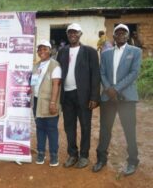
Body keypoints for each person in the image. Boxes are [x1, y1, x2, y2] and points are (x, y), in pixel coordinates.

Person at [92, 24, 142, 176]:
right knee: (105, 129)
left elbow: (134, 73)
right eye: (117, 33)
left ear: (128, 36)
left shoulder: (135, 52)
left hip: (126, 98)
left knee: (129, 130)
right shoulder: (106, 54)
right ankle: (101, 159)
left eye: (124, 32)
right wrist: (109, 89)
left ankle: (132, 161)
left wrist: (116, 89)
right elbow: (102, 73)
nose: (121, 35)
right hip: (108, 97)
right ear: (113, 37)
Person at [56, 23, 100, 168]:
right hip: (66, 95)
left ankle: (84, 156)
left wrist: (94, 97)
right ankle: (72, 154)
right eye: (70, 33)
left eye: (75, 32)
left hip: (84, 96)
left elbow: (95, 75)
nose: (72, 35)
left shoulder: (90, 52)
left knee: (85, 126)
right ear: (67, 35)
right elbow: (57, 74)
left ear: (80, 34)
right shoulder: (62, 52)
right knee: (69, 127)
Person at [31, 40, 62, 167]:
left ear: (50, 50)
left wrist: (53, 102)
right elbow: (33, 83)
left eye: (45, 49)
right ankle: (41, 153)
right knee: (40, 128)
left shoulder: (55, 65)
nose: (42, 51)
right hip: (37, 101)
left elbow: (56, 84)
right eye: (40, 49)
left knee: (51, 129)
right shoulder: (36, 66)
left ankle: (54, 155)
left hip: (49, 101)